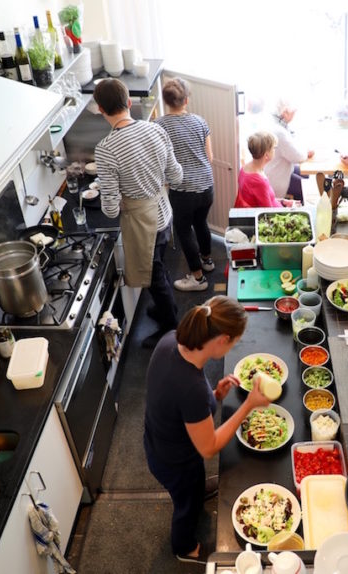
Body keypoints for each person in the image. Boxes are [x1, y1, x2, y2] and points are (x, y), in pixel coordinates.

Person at [143, 296, 271, 562]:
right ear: (223, 339)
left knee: (194, 489)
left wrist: (215, 395)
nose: (235, 345)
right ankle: (185, 548)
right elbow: (209, 447)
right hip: (175, 461)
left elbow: (182, 403)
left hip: (158, 438)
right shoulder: (192, 388)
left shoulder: (172, 341)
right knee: (186, 506)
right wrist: (248, 405)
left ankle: (198, 490)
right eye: (235, 341)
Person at [93, 79, 183, 346]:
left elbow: (109, 209)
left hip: (143, 224)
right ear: (129, 102)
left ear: (100, 109)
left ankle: (171, 329)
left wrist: (120, 200)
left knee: (153, 276)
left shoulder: (106, 150)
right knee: (158, 266)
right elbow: (176, 176)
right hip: (164, 213)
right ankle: (169, 309)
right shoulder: (156, 130)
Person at [153, 77, 215, 293]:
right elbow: (210, 156)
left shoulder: (158, 126)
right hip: (206, 185)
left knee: (183, 230)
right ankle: (207, 260)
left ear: (165, 100)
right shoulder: (200, 121)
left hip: (183, 189)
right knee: (201, 222)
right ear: (186, 100)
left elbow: (159, 160)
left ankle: (197, 278)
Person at [263, 97, 314, 203]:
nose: (294, 114)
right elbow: (297, 156)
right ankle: (302, 211)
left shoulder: (275, 125)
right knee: (307, 189)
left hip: (275, 170)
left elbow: (293, 145)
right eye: (293, 112)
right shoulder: (279, 132)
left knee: (306, 175)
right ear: (285, 113)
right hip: (276, 179)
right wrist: (306, 152)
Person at [235, 132, 296, 208]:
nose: (275, 150)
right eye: (274, 148)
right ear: (266, 155)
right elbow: (268, 213)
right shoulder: (259, 182)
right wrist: (287, 209)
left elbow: (264, 198)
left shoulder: (245, 168)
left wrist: (282, 201)